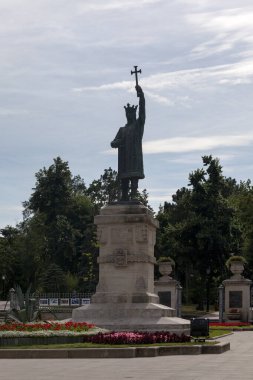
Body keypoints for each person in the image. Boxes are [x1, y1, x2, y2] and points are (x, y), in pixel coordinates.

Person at [111, 85, 145, 201]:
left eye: (132, 113)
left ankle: (134, 195)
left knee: (134, 177)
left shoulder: (138, 126)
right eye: (128, 114)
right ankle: (124, 196)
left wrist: (141, 97)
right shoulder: (122, 130)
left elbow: (142, 112)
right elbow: (113, 142)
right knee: (124, 180)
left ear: (134, 114)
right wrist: (117, 142)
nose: (130, 115)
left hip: (134, 157)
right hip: (125, 159)